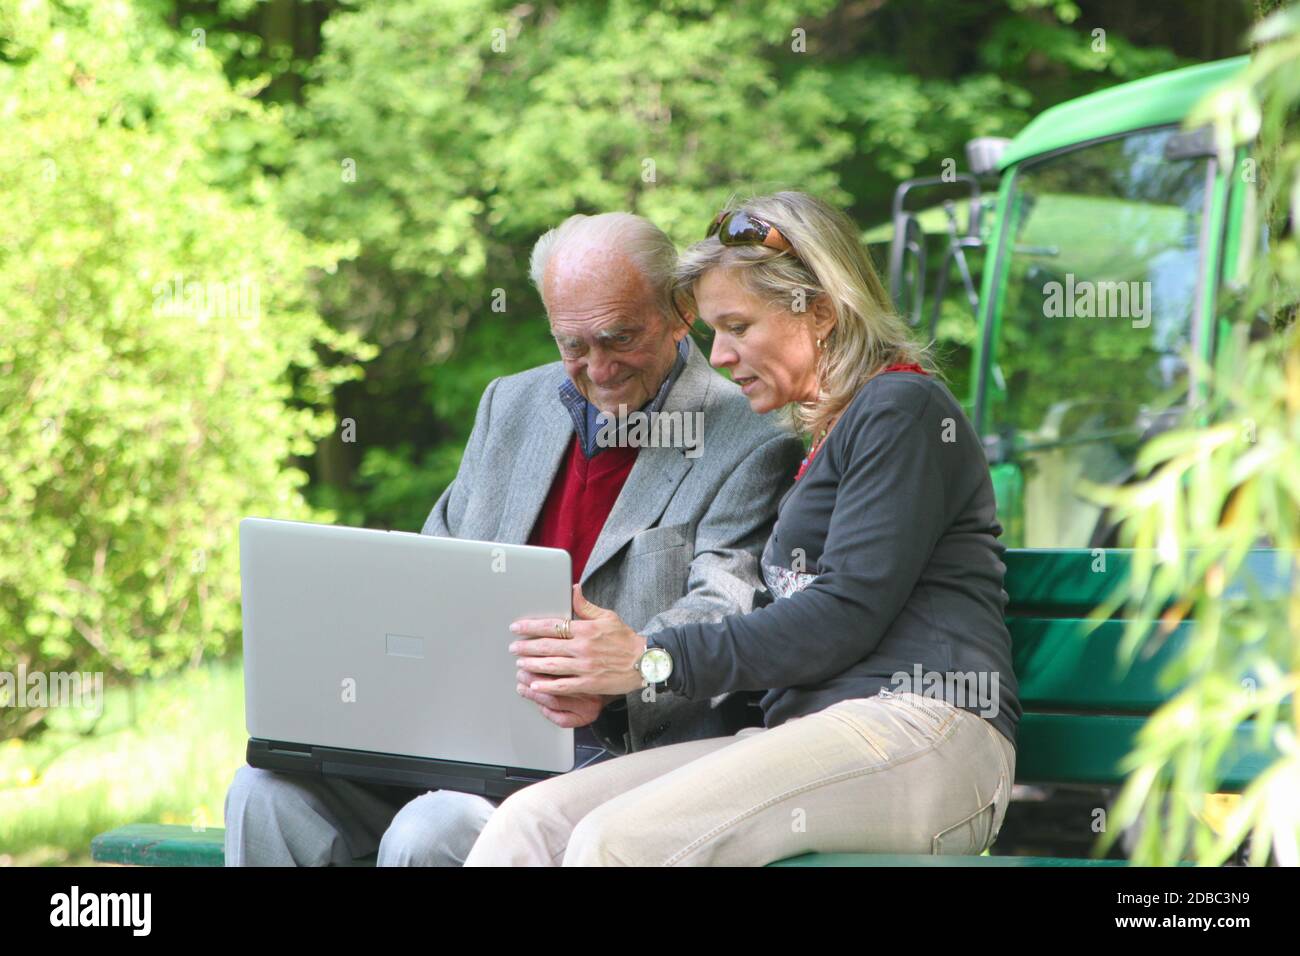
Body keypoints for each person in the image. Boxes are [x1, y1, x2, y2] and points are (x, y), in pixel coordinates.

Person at [223, 212, 803, 866]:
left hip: (608, 754)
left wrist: (620, 668)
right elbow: (431, 566)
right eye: (574, 345)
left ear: (679, 311)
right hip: (450, 732)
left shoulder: (750, 438)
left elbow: (721, 610)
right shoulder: (510, 404)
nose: (599, 368)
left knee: (434, 827)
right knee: (263, 794)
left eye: (619, 337)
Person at [464, 191, 1023, 866]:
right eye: (712, 332)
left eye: (737, 326)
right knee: (530, 825)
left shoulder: (901, 408)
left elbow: (841, 617)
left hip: (923, 730)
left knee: (616, 845)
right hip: (806, 736)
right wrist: (605, 680)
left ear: (818, 311)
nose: (721, 357)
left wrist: (648, 660)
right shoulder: (830, 435)